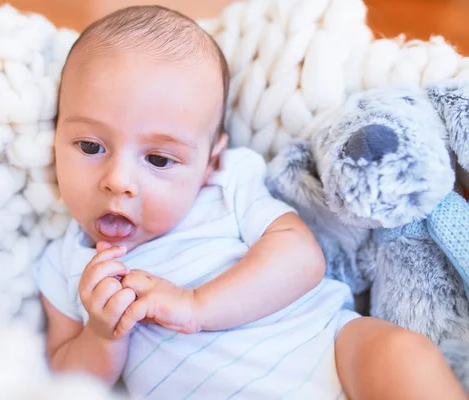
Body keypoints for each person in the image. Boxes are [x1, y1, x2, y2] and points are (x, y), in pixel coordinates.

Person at [33, 5, 466, 399]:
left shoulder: (228, 185)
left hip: (325, 350)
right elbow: (67, 378)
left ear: (210, 162)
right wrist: (102, 336)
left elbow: (300, 258)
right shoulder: (63, 263)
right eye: (90, 146)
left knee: (399, 353)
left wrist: (196, 306)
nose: (118, 181)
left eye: (159, 159)